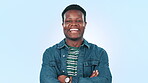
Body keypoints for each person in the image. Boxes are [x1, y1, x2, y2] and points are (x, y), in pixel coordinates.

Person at [40, 4, 112, 83]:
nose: (74, 24)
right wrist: (89, 80)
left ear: (85, 24)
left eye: (78, 21)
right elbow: (46, 80)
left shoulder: (99, 53)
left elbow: (105, 80)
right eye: (68, 21)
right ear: (63, 25)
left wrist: (68, 80)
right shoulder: (50, 53)